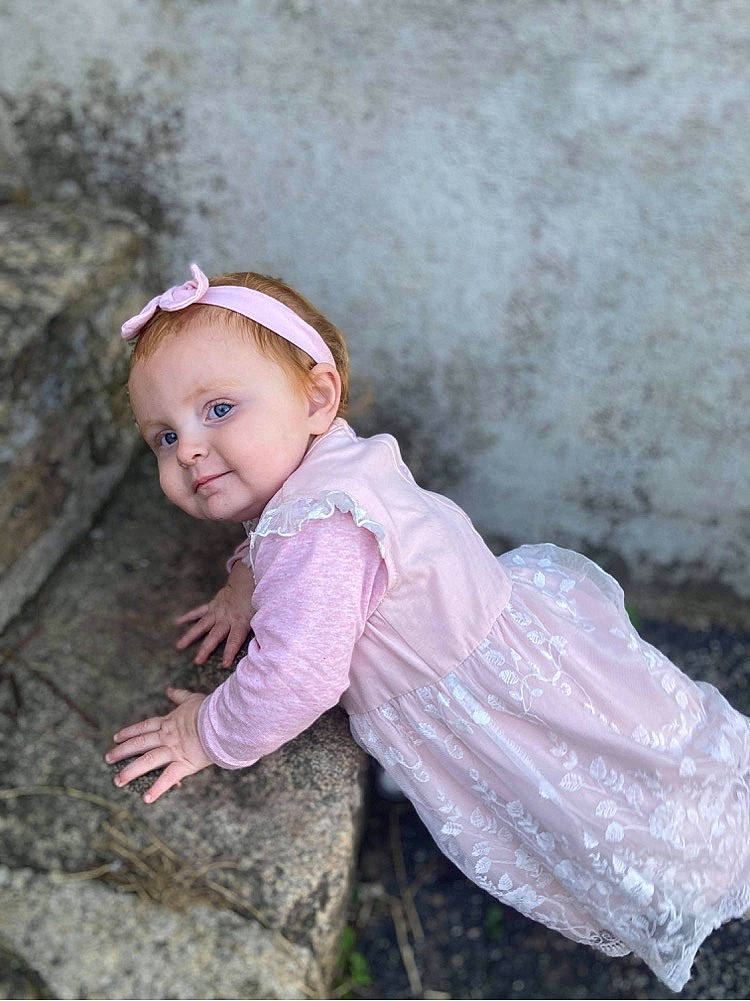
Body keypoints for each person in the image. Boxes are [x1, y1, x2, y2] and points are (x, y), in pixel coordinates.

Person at [105, 264, 749, 992]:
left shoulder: (323, 535)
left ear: (317, 397)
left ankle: (698, 871)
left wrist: (206, 733)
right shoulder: (326, 459)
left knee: (592, 800)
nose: (188, 448)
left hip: (486, 695)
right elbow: (273, 537)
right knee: (629, 737)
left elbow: (298, 674)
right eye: (163, 435)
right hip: (509, 636)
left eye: (218, 409)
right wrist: (240, 587)